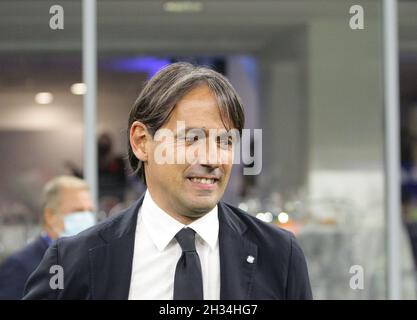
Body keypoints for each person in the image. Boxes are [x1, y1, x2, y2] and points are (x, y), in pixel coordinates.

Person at [23, 62, 312, 300]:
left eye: (225, 141)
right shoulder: (74, 262)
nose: (212, 159)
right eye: (192, 138)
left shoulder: (278, 256)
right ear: (141, 142)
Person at [0, 175, 95, 299]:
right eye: (78, 211)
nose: (86, 217)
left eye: (90, 211)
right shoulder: (20, 266)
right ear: (50, 215)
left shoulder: (90, 259)